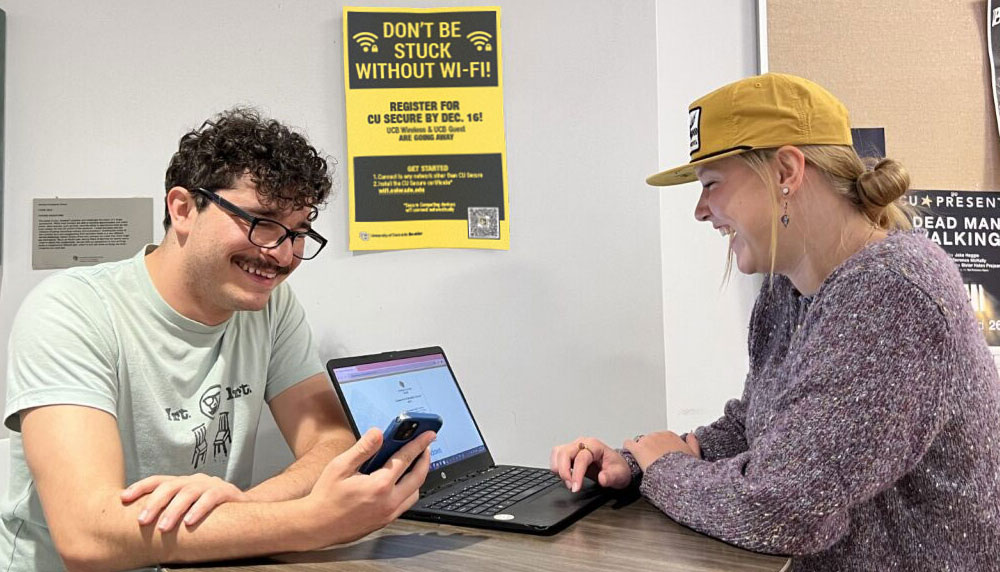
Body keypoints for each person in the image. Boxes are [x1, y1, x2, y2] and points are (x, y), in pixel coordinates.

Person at [551, 73, 1000, 570]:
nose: (702, 211)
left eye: (712, 185)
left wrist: (665, 467)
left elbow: (784, 509)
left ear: (786, 170)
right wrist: (635, 462)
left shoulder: (893, 293)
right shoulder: (790, 287)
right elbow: (762, 428)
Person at [0, 108, 434, 571]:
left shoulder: (270, 306)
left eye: (300, 230)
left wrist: (244, 505)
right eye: (262, 221)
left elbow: (328, 442)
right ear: (183, 209)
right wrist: (310, 521)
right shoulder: (72, 310)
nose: (283, 254)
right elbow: (88, 537)